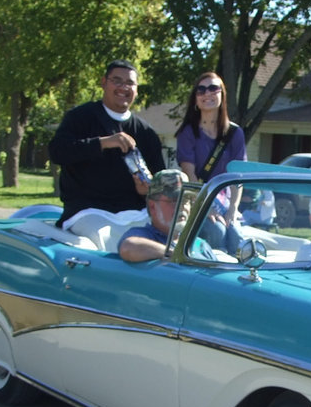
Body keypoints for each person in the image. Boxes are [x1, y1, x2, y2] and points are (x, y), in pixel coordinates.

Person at [49, 60, 164, 227]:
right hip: (86, 212)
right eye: (117, 81)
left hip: (135, 213)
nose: (124, 87)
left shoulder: (146, 133)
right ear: (104, 82)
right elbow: (57, 152)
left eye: (130, 83)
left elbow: (159, 180)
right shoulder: (80, 117)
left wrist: (146, 191)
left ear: (137, 89)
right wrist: (103, 143)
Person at [176, 72, 247, 254]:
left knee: (237, 235)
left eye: (213, 88)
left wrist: (232, 210)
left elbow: (237, 177)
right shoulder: (188, 133)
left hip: (225, 201)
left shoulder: (234, 133)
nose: (207, 93)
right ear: (195, 99)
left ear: (222, 94)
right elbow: (190, 177)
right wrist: (205, 208)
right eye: (201, 90)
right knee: (217, 232)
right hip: (198, 200)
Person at [118, 170, 186, 262]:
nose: (183, 206)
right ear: (152, 206)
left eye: (186, 200)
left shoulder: (199, 244)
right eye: (174, 201)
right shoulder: (144, 235)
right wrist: (176, 255)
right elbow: (128, 248)